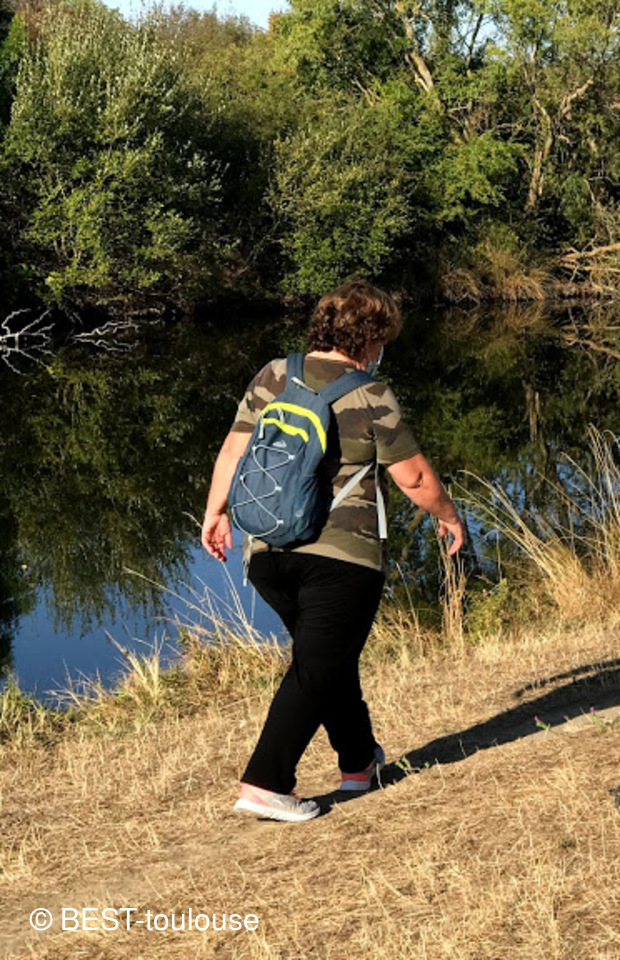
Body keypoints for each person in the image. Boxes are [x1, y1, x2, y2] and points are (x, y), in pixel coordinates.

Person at [201, 281, 464, 822]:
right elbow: (414, 477)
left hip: (266, 552)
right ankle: (265, 783)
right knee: (316, 666)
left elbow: (233, 450)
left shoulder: (274, 374)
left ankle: (359, 762)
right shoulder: (369, 393)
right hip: (341, 558)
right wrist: (450, 517)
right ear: (370, 338)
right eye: (383, 339)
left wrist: (216, 512)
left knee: (328, 659)